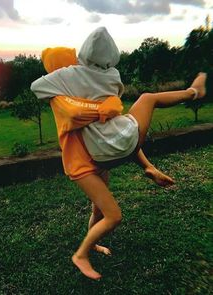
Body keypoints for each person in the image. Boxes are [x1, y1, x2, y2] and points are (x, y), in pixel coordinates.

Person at [31, 27, 207, 280]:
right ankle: (81, 254)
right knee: (113, 215)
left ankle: (91, 245)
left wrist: (148, 166)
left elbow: (112, 130)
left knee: (98, 211)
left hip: (100, 154)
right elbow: (77, 115)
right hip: (83, 165)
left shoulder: (75, 87)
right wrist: (105, 107)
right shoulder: (62, 101)